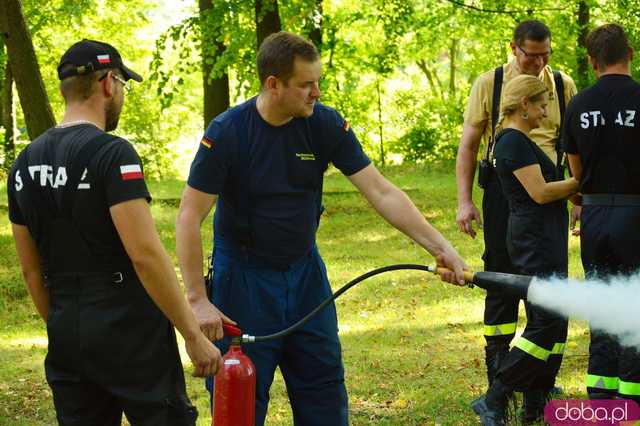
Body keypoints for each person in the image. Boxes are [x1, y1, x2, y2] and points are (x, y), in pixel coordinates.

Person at [175, 31, 468, 425]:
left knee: (325, 393)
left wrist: (439, 246)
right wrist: (197, 299)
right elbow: (190, 215)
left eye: (319, 82)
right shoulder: (228, 132)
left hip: (305, 275)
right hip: (243, 280)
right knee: (241, 400)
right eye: (306, 85)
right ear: (273, 84)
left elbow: (380, 190)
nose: (316, 92)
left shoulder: (324, 124)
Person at [7, 39, 222, 426]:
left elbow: (31, 271)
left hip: (66, 325)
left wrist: (63, 324)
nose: (121, 93)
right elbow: (145, 255)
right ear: (109, 83)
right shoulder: (112, 154)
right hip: (129, 329)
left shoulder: (23, 165)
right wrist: (192, 334)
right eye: (123, 84)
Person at [455, 19, 577, 402]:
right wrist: (464, 200)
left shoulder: (562, 84)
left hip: (550, 189)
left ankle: (539, 379)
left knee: (549, 289)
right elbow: (470, 145)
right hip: (506, 191)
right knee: (503, 282)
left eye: (546, 55)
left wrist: (576, 199)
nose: (539, 62)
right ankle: (499, 375)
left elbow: (573, 145)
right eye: (531, 55)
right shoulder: (489, 82)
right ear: (514, 49)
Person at [471, 75, 579, 426]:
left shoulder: (521, 141)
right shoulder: (512, 142)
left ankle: (536, 402)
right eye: (542, 104)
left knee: (554, 319)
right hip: (534, 241)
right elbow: (541, 192)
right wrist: (583, 181)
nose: (547, 111)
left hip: (545, 237)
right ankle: (496, 395)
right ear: (524, 105)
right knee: (545, 321)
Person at [564, 24, 640, 404]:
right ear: (630, 53)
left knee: (603, 309)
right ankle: (632, 405)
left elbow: (576, 173)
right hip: (636, 218)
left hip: (594, 218)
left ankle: (601, 404)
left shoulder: (577, 106)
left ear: (593, 62)